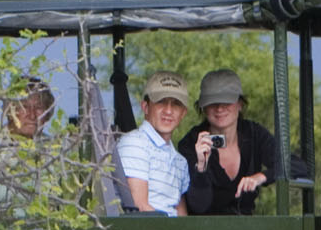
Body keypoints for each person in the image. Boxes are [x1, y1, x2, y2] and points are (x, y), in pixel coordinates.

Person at [177, 69, 278, 216]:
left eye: (227, 101)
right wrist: (201, 168)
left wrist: (261, 177)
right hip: (203, 228)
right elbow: (199, 206)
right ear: (203, 108)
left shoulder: (254, 134)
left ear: (240, 104)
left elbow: (296, 166)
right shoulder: (189, 144)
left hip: (247, 226)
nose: (219, 108)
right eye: (212, 103)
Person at [0, 77, 58, 215]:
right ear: (10, 111)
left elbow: (52, 206)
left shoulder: (52, 149)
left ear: (47, 114)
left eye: (38, 108)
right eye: (24, 107)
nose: (32, 115)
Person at [116, 70, 192, 215]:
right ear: (145, 107)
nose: (168, 111)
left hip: (169, 228)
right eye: (161, 101)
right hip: (146, 229)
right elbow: (139, 208)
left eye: (176, 104)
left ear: (183, 113)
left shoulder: (180, 161)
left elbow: (182, 218)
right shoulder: (134, 143)